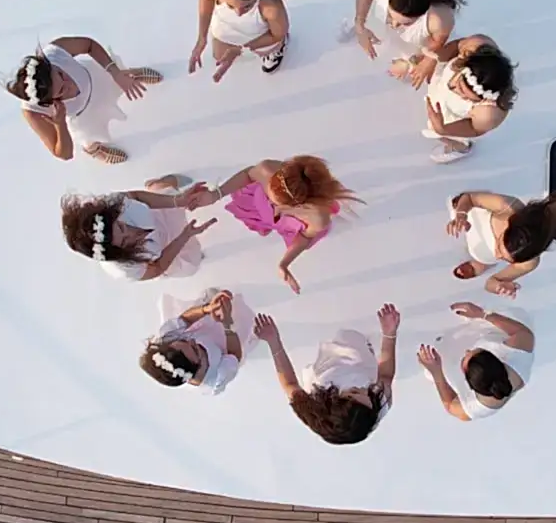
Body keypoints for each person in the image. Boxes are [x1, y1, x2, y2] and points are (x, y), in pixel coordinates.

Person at [183, 155, 359, 294]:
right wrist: (216, 194)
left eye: (279, 203)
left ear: (298, 205)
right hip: (256, 205)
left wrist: (284, 263)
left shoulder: (317, 217)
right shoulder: (267, 169)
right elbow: (248, 175)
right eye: (271, 194)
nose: (275, 207)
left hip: (287, 224)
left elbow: (304, 238)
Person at [448, 164, 556, 298]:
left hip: (480, 253)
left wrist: (499, 287)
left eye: (505, 260)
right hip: (470, 218)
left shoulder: (529, 262)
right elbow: (470, 198)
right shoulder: (508, 208)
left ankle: (483, 264)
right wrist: (461, 214)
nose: (498, 254)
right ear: (509, 228)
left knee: (484, 258)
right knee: (459, 201)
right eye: (499, 247)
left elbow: (490, 283)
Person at [254, 304, 398, 445]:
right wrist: (389, 333)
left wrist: (273, 341)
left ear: (335, 402)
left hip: (326, 375)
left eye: (354, 392)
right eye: (366, 394)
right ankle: (365, 348)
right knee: (358, 349)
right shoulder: (380, 403)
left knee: (326, 370)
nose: (360, 388)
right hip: (360, 364)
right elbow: (385, 375)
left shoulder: (314, 409)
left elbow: (290, 384)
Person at [5, 36, 161, 164]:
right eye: (62, 90)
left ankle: (127, 75)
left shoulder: (54, 53)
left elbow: (89, 45)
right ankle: (95, 150)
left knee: (118, 77)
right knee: (90, 136)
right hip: (83, 115)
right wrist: (60, 123)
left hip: (95, 76)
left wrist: (115, 73)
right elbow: (64, 154)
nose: (70, 83)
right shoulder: (33, 112)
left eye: (61, 74)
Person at [59, 176, 217, 281]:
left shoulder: (111, 203)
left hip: (157, 213)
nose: (131, 233)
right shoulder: (124, 268)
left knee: (169, 190)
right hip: (164, 246)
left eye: (121, 226)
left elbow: (137, 197)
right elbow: (157, 268)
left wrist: (178, 201)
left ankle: (157, 184)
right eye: (125, 241)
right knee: (191, 264)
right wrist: (184, 237)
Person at [349, 0, 462, 88]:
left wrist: (411, 63)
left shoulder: (440, 19)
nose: (395, 25)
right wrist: (360, 25)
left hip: (414, 46)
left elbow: (436, 45)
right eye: (392, 15)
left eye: (406, 23)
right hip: (378, 29)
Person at [191, 0, 313, 81]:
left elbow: (276, 35)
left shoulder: (271, 7)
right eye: (230, 6)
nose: (239, 13)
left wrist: (242, 49)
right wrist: (202, 38)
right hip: (226, 26)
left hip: (259, 33)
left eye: (247, 6)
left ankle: (278, 48)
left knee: (268, 47)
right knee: (219, 55)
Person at [415, 302, 536, 421]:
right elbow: (522, 331)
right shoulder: (517, 353)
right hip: (495, 333)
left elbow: (450, 406)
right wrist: (482, 314)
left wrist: (436, 372)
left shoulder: (479, 406)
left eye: (465, 358)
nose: (467, 351)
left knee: (429, 373)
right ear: (496, 358)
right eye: (475, 351)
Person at [421, 35, 517, 164]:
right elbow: (457, 45)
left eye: (465, 96)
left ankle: (461, 147)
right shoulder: (475, 45)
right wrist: (434, 59)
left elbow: (474, 129)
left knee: (437, 131)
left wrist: (444, 129)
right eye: (459, 84)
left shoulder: (488, 114)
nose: (454, 89)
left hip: (452, 117)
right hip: (439, 90)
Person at [139, 289, 249, 394]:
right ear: (199, 365)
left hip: (204, 326)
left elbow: (185, 319)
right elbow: (235, 354)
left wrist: (207, 309)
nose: (192, 341)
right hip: (231, 343)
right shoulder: (216, 376)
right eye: (195, 349)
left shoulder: (167, 340)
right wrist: (227, 324)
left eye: (184, 340)